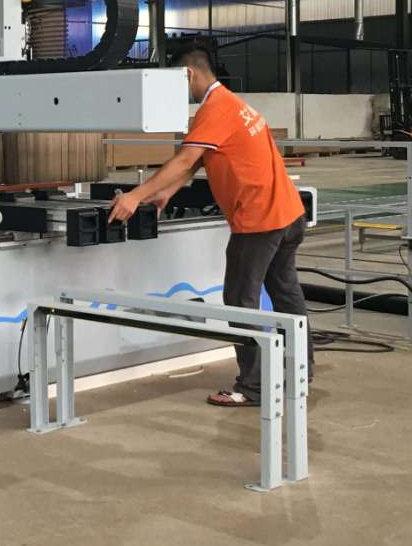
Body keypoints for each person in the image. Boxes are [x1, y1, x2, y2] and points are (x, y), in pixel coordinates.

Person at [107, 43, 310, 407]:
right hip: (288, 213)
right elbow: (202, 158)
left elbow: (185, 160)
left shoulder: (215, 108)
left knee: (239, 301)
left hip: (259, 220)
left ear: (189, 74)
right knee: (286, 293)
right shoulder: (233, 104)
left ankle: (255, 387)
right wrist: (166, 192)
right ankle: (300, 370)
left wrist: (135, 196)